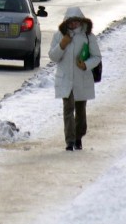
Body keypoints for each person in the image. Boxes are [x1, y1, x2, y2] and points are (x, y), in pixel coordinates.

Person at [48, 10, 101, 151]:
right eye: (70, 22)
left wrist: (85, 65)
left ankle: (79, 137)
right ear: (66, 22)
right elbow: (53, 57)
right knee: (68, 109)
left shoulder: (88, 37)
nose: (73, 24)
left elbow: (96, 57)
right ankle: (70, 141)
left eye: (76, 21)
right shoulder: (59, 36)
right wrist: (62, 45)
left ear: (81, 21)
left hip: (81, 79)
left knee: (80, 110)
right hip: (65, 80)